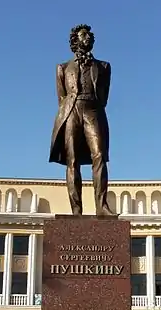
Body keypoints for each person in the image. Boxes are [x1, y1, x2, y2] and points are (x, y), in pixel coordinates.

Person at [49, 24, 114, 216]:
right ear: (75, 40)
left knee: (99, 155)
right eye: (84, 35)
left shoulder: (103, 66)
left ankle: (101, 207)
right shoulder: (62, 67)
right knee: (72, 160)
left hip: (93, 109)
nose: (89, 37)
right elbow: (61, 97)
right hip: (71, 111)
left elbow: (104, 96)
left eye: (90, 35)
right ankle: (76, 210)